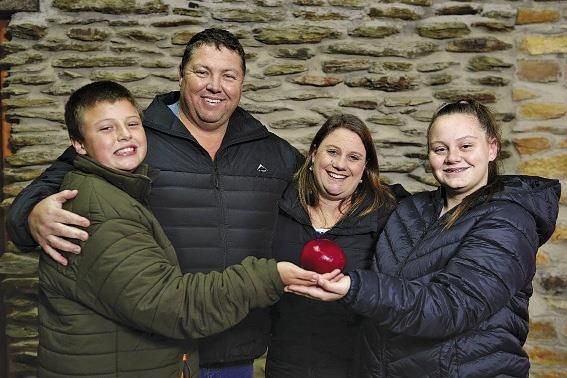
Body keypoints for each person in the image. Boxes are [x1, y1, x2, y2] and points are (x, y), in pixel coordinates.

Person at [7, 29, 302, 377]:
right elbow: (42, 195)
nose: (214, 85)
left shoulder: (272, 151)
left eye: (229, 75)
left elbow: (327, 200)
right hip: (158, 345)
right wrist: (31, 215)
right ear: (180, 75)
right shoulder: (135, 137)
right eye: (202, 72)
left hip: (235, 346)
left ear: (242, 83)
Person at [287, 99, 561, 377]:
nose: (452, 157)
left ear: (492, 148)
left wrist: (353, 287)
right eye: (440, 149)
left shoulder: (509, 221)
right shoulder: (411, 209)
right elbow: (357, 197)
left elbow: (451, 306)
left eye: (466, 146)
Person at [266, 114, 408, 377]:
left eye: (354, 157)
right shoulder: (281, 206)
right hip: (285, 363)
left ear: (365, 168)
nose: (340, 165)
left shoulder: (387, 216)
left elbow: (399, 292)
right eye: (333, 152)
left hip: (355, 366)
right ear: (313, 155)